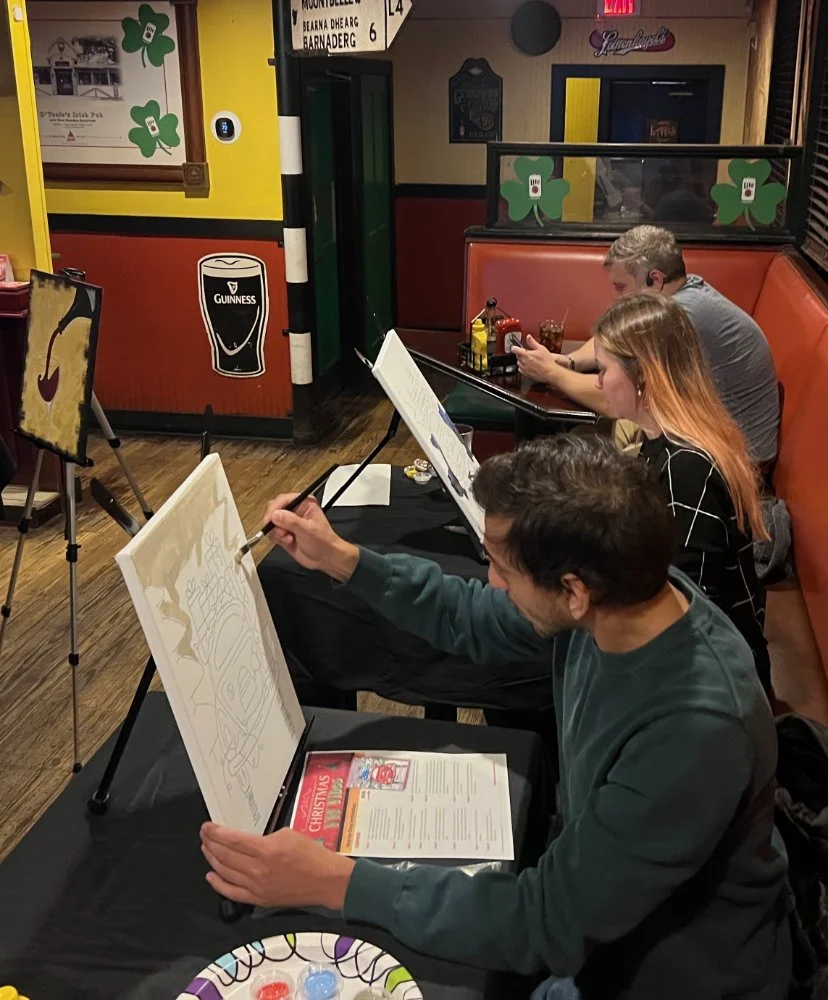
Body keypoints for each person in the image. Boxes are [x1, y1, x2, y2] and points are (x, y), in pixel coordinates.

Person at [201, 436, 791, 1000]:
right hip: (611, 934)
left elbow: (545, 923)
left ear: (573, 590)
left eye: (503, 567)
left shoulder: (693, 731)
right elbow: (474, 616)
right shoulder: (628, 601)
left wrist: (334, 883)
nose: (491, 579)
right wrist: (343, 560)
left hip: (665, 978)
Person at [593, 292, 773, 698]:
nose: (598, 382)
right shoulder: (665, 442)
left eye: (604, 370)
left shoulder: (686, 469)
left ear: (642, 376)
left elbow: (685, 612)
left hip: (716, 686)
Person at [513, 225, 780, 467]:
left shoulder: (681, 316)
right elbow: (615, 335)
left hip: (734, 462)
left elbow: (615, 399)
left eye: (621, 287)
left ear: (655, 279)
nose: (615, 298)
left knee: (572, 454)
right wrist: (569, 362)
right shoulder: (684, 290)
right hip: (702, 436)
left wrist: (551, 373)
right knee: (576, 441)